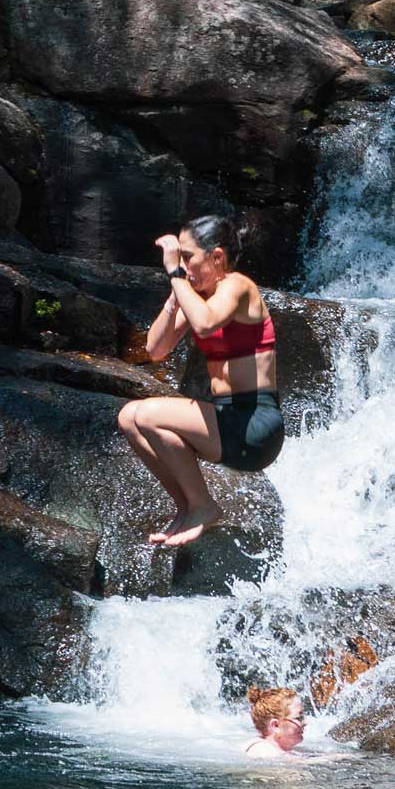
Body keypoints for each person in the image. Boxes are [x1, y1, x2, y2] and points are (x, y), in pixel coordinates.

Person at [115, 214, 285, 547]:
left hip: (255, 424)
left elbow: (207, 323)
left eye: (188, 257)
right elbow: (156, 349)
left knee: (146, 414)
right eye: (181, 258)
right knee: (128, 418)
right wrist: (175, 296)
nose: (183, 265)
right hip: (225, 419)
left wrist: (175, 274)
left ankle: (204, 506)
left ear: (217, 256)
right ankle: (189, 508)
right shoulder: (196, 295)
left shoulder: (237, 286)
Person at [243, 686, 305, 757]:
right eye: (298, 718)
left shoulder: (283, 749)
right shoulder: (262, 750)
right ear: (276, 725)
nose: (305, 723)